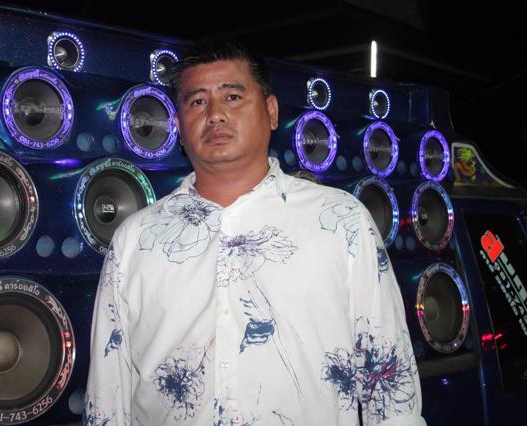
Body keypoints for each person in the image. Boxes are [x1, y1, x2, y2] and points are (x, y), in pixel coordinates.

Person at [84, 41, 425, 425]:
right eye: (197, 102)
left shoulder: (341, 222)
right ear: (178, 126)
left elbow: (388, 379)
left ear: (272, 111)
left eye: (232, 96)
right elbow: (108, 392)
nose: (215, 114)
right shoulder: (136, 240)